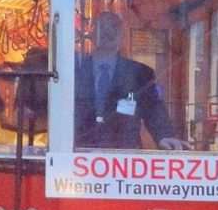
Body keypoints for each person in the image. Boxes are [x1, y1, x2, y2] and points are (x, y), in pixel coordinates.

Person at [75, 11, 188, 150]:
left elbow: (152, 107)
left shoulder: (140, 73)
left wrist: (165, 135)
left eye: (114, 28)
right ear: (92, 34)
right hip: (79, 154)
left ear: (122, 36)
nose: (108, 32)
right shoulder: (74, 70)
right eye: (102, 27)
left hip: (124, 156)